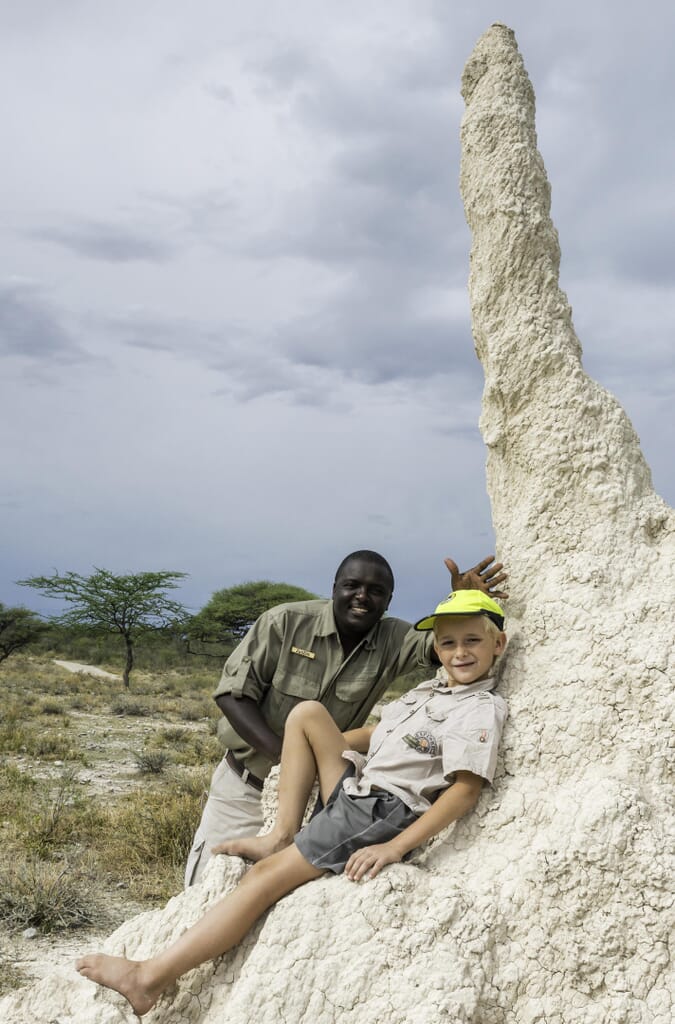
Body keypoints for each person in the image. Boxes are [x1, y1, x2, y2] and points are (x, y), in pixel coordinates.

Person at [77, 589, 508, 1017]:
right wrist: (326, 747)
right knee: (306, 714)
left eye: (472, 641)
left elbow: (464, 791)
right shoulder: (427, 694)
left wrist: (394, 847)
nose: (459, 653)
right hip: (356, 788)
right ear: (437, 647)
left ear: (497, 644)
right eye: (448, 643)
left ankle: (149, 978)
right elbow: (379, 735)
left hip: (378, 811)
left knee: (263, 880)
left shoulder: (478, 710)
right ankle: (281, 834)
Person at [185, 550, 507, 885]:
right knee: (206, 882)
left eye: (376, 591)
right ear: (335, 587)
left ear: (388, 601)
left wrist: (467, 599)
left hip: (320, 796)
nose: (362, 597)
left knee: (273, 890)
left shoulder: (394, 639)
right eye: (352, 585)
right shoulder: (285, 622)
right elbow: (232, 696)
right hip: (246, 785)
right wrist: (289, 760)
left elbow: (450, 645)